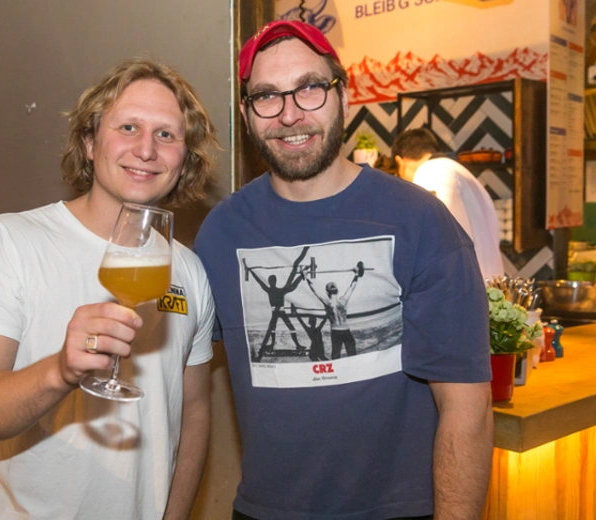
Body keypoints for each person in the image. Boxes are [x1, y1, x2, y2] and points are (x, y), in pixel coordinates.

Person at [194, 20, 493, 520]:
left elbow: (468, 407)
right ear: (246, 115)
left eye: (310, 88)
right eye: (266, 96)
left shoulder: (420, 221)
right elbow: (182, 382)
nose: (290, 113)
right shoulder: (221, 233)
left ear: (344, 98)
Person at [0, 58, 219, 520]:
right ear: (90, 142)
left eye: (167, 135)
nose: (146, 149)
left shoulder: (188, 271)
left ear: (184, 158)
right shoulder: (11, 241)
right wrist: (59, 371)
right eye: (128, 127)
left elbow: (193, 411)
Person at [391, 127, 504, 280]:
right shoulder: (460, 171)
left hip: (466, 284)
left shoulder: (430, 172)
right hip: (489, 282)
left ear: (399, 161)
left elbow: (435, 237)